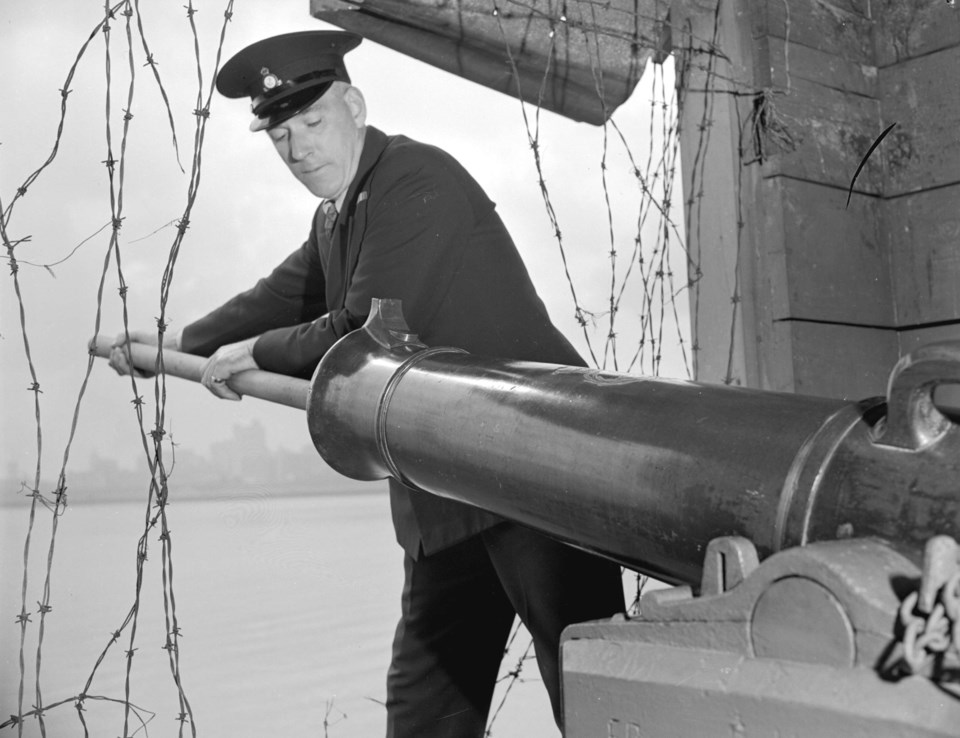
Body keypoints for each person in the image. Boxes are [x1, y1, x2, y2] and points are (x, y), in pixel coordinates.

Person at [110, 30, 624, 737]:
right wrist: (168, 345)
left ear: (354, 105)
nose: (298, 149)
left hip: (537, 473)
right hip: (444, 491)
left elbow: (364, 333)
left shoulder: (416, 178)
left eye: (312, 123)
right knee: (423, 716)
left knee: (597, 703)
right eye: (280, 135)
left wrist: (250, 351)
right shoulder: (336, 218)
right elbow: (275, 298)